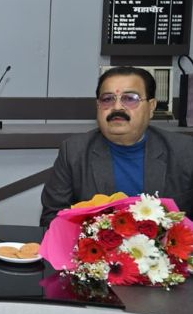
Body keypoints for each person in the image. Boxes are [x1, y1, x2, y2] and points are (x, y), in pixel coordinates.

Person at [40, 66, 193, 226]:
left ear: (151, 106)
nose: (117, 107)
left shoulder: (185, 151)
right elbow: (53, 220)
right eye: (107, 99)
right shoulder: (74, 152)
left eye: (130, 98)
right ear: (98, 106)